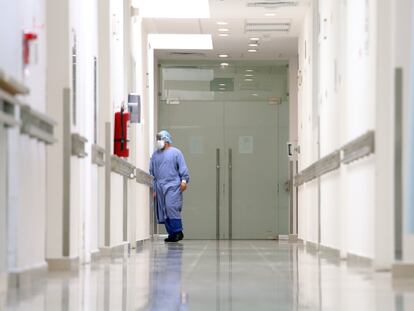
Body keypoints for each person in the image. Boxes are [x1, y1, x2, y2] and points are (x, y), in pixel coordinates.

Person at [150, 130, 190, 242]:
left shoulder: (176, 152)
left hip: (172, 185)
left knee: (171, 207)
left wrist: (184, 181)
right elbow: (152, 171)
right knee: (163, 210)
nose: (158, 142)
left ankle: (178, 232)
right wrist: (154, 188)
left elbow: (183, 168)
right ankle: (171, 234)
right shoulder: (155, 155)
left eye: (160, 139)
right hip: (159, 186)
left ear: (166, 140)